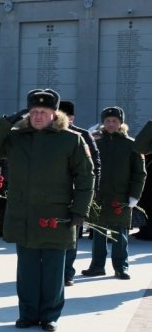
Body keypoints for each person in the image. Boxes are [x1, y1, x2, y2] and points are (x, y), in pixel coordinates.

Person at [0, 89, 94, 332]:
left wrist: (80, 211)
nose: (38, 116)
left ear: (54, 114)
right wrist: (8, 120)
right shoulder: (16, 137)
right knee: (27, 270)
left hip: (57, 215)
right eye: (34, 112)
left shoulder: (71, 139)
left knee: (54, 270)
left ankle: (50, 315)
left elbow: (86, 177)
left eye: (44, 112)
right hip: (24, 214)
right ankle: (28, 313)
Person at [80, 107, 146, 280]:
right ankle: (97, 266)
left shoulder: (132, 144)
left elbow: (140, 173)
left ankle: (121, 267)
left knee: (120, 235)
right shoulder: (96, 143)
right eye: (108, 121)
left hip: (121, 197)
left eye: (115, 121)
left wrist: (134, 196)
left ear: (121, 123)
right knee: (98, 234)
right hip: (100, 196)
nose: (111, 124)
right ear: (103, 123)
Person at [58, 100, 101, 286]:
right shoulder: (45, 135)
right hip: (52, 195)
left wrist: (90, 195)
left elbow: (95, 167)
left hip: (74, 196)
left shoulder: (82, 135)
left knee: (71, 237)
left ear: (72, 118)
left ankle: (67, 273)